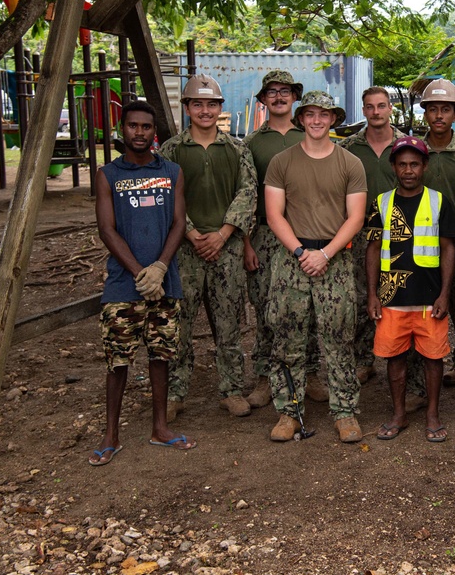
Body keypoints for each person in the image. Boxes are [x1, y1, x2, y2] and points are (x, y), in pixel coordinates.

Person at [90, 101, 196, 466]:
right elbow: (107, 229)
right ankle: (111, 434)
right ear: (123, 129)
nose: (139, 132)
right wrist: (140, 273)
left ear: (155, 132)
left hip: (166, 283)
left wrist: (161, 268)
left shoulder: (172, 172)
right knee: (118, 360)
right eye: (133, 126)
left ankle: (160, 428)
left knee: (161, 355)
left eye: (146, 127)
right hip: (123, 285)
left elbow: (179, 223)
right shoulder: (108, 175)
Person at [265, 90, 367, 443]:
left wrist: (325, 254)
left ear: (333, 119)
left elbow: (355, 217)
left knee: (339, 338)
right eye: (310, 114)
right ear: (301, 118)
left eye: (324, 114)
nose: (317, 120)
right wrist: (299, 252)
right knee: (288, 338)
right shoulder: (282, 161)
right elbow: (274, 214)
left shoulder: (350, 163)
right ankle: (288, 411)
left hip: (334, 259)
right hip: (292, 259)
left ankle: (344, 411)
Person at [157, 75, 257, 419]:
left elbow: (248, 193)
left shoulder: (236, 149)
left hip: (225, 249)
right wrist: (190, 233)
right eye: (197, 104)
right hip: (185, 250)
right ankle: (175, 392)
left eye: (211, 104)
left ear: (220, 109)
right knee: (180, 324)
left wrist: (224, 233)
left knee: (228, 324)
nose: (205, 110)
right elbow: (164, 196)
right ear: (186, 108)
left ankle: (230, 389)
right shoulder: (170, 151)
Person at [243, 70, 326, 408]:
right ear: (263, 99)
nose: (278, 97)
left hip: (306, 233)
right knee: (266, 307)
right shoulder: (251, 143)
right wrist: (247, 242)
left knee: (308, 306)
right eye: (272, 92)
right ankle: (265, 377)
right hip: (264, 235)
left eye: (285, 91)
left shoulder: (307, 136)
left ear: (295, 98)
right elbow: (247, 196)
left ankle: (310, 374)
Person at [366, 136, 455, 442]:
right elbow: (373, 249)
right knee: (395, 358)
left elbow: (448, 249)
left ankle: (432, 415)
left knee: (433, 358)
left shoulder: (439, 201)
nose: (408, 170)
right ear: (393, 167)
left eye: (414, 164)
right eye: (402, 164)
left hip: (429, 298)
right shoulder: (381, 202)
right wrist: (372, 294)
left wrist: (445, 293)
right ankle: (399, 414)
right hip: (392, 297)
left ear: (424, 166)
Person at [407, 80, 455, 410]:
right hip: (418, 250)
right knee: (418, 320)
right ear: (425, 112)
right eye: (432, 108)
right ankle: (418, 387)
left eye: (445, 109)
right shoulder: (412, 153)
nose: (438, 115)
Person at [340, 86, 408, 385]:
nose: (376, 112)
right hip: (361, 232)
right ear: (364, 110)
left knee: (402, 295)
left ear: (390, 108)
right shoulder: (349, 148)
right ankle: (363, 359)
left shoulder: (407, 146)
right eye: (370, 107)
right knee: (360, 297)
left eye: (382, 106)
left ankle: (404, 361)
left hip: (402, 234)